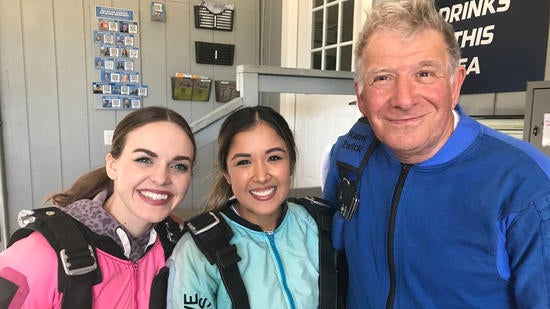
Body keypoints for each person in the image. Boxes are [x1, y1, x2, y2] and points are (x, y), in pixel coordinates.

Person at [322, 0, 550, 307]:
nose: (403, 99)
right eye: (383, 77)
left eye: (425, 74)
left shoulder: (525, 183)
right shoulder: (350, 156)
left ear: (455, 85)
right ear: (360, 97)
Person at [0, 106, 196, 308]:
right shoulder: (41, 253)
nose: (161, 178)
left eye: (179, 166)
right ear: (113, 166)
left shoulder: (181, 244)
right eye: (144, 160)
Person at [167, 106, 322, 308]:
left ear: (291, 163)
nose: (261, 176)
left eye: (274, 158)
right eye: (244, 162)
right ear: (227, 174)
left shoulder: (318, 224)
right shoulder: (196, 251)